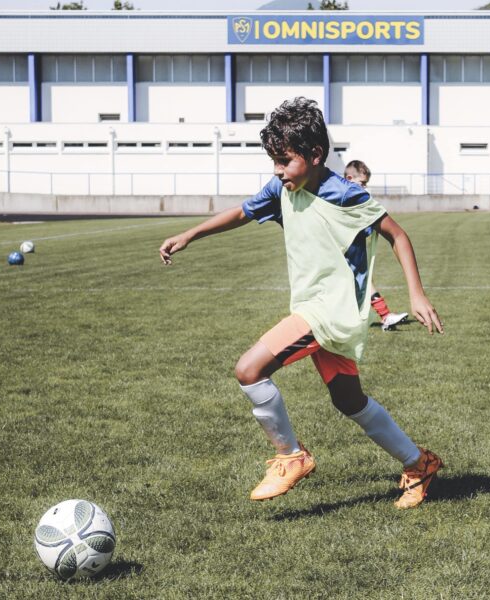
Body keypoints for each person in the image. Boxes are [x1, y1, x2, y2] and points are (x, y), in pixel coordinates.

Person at [159, 98, 444, 509]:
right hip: (314, 307)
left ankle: (291, 455)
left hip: (328, 311)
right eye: (273, 160)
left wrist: (416, 294)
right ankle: (420, 463)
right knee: (349, 401)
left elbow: (396, 235)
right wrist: (189, 234)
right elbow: (242, 211)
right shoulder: (282, 188)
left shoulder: (345, 194)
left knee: (249, 369)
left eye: (284, 160)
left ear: (314, 155)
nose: (277, 170)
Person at [343, 159, 409, 331]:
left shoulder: (355, 198)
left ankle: (384, 316)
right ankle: (385, 316)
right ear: (350, 178)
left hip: (355, 250)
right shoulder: (342, 198)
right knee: (358, 285)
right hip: (345, 252)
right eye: (362, 183)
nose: (364, 187)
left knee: (364, 283)